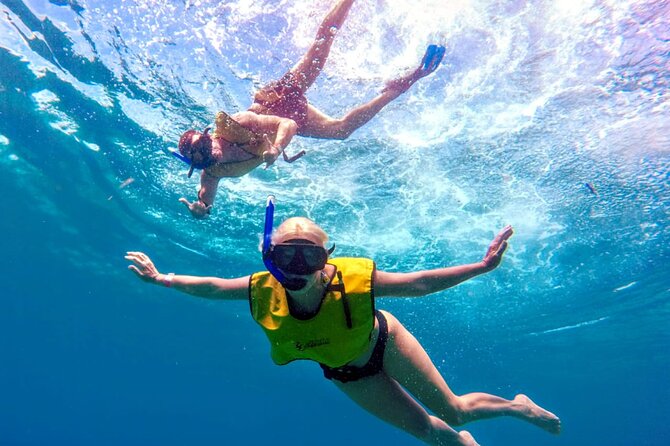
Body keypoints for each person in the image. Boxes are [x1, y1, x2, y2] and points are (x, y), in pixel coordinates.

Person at [125, 206, 560, 445]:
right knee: (429, 433)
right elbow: (214, 287)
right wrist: (163, 278)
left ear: (326, 260)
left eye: (309, 257)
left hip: (385, 342)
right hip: (347, 373)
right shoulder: (261, 288)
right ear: (268, 258)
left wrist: (482, 267)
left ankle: (515, 406)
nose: (296, 268)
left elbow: (420, 283)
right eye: (285, 257)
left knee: (453, 411)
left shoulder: (353, 281)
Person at [176, 0, 445, 218]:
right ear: (195, 164)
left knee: (320, 47)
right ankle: (408, 80)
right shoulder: (211, 174)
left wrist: (275, 148)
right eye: (198, 156)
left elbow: (287, 125)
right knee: (342, 131)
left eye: (202, 145)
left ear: (209, 134)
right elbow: (205, 201)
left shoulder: (238, 122)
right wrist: (201, 211)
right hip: (292, 121)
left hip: (277, 100)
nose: (206, 153)